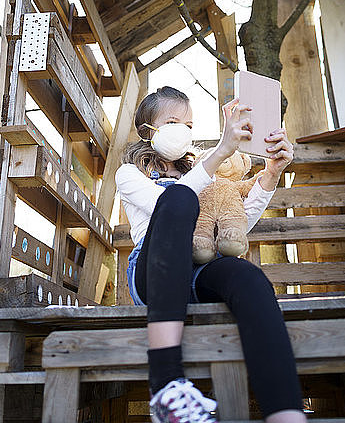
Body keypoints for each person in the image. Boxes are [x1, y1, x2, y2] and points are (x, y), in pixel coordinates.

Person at [115, 86, 306, 423]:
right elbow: (170, 208)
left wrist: (271, 173)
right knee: (177, 200)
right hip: (155, 276)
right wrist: (219, 152)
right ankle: (166, 386)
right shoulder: (129, 174)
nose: (184, 131)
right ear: (148, 130)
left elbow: (236, 221)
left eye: (189, 125)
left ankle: (286, 415)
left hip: (200, 268)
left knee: (245, 275)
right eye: (173, 121)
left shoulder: (206, 171)